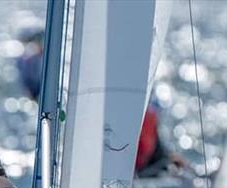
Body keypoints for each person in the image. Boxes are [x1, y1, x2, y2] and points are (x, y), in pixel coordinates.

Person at [15, 29, 186, 179]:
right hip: (129, 151)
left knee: (160, 153)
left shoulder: (137, 98)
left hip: (142, 156)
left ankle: (171, 165)